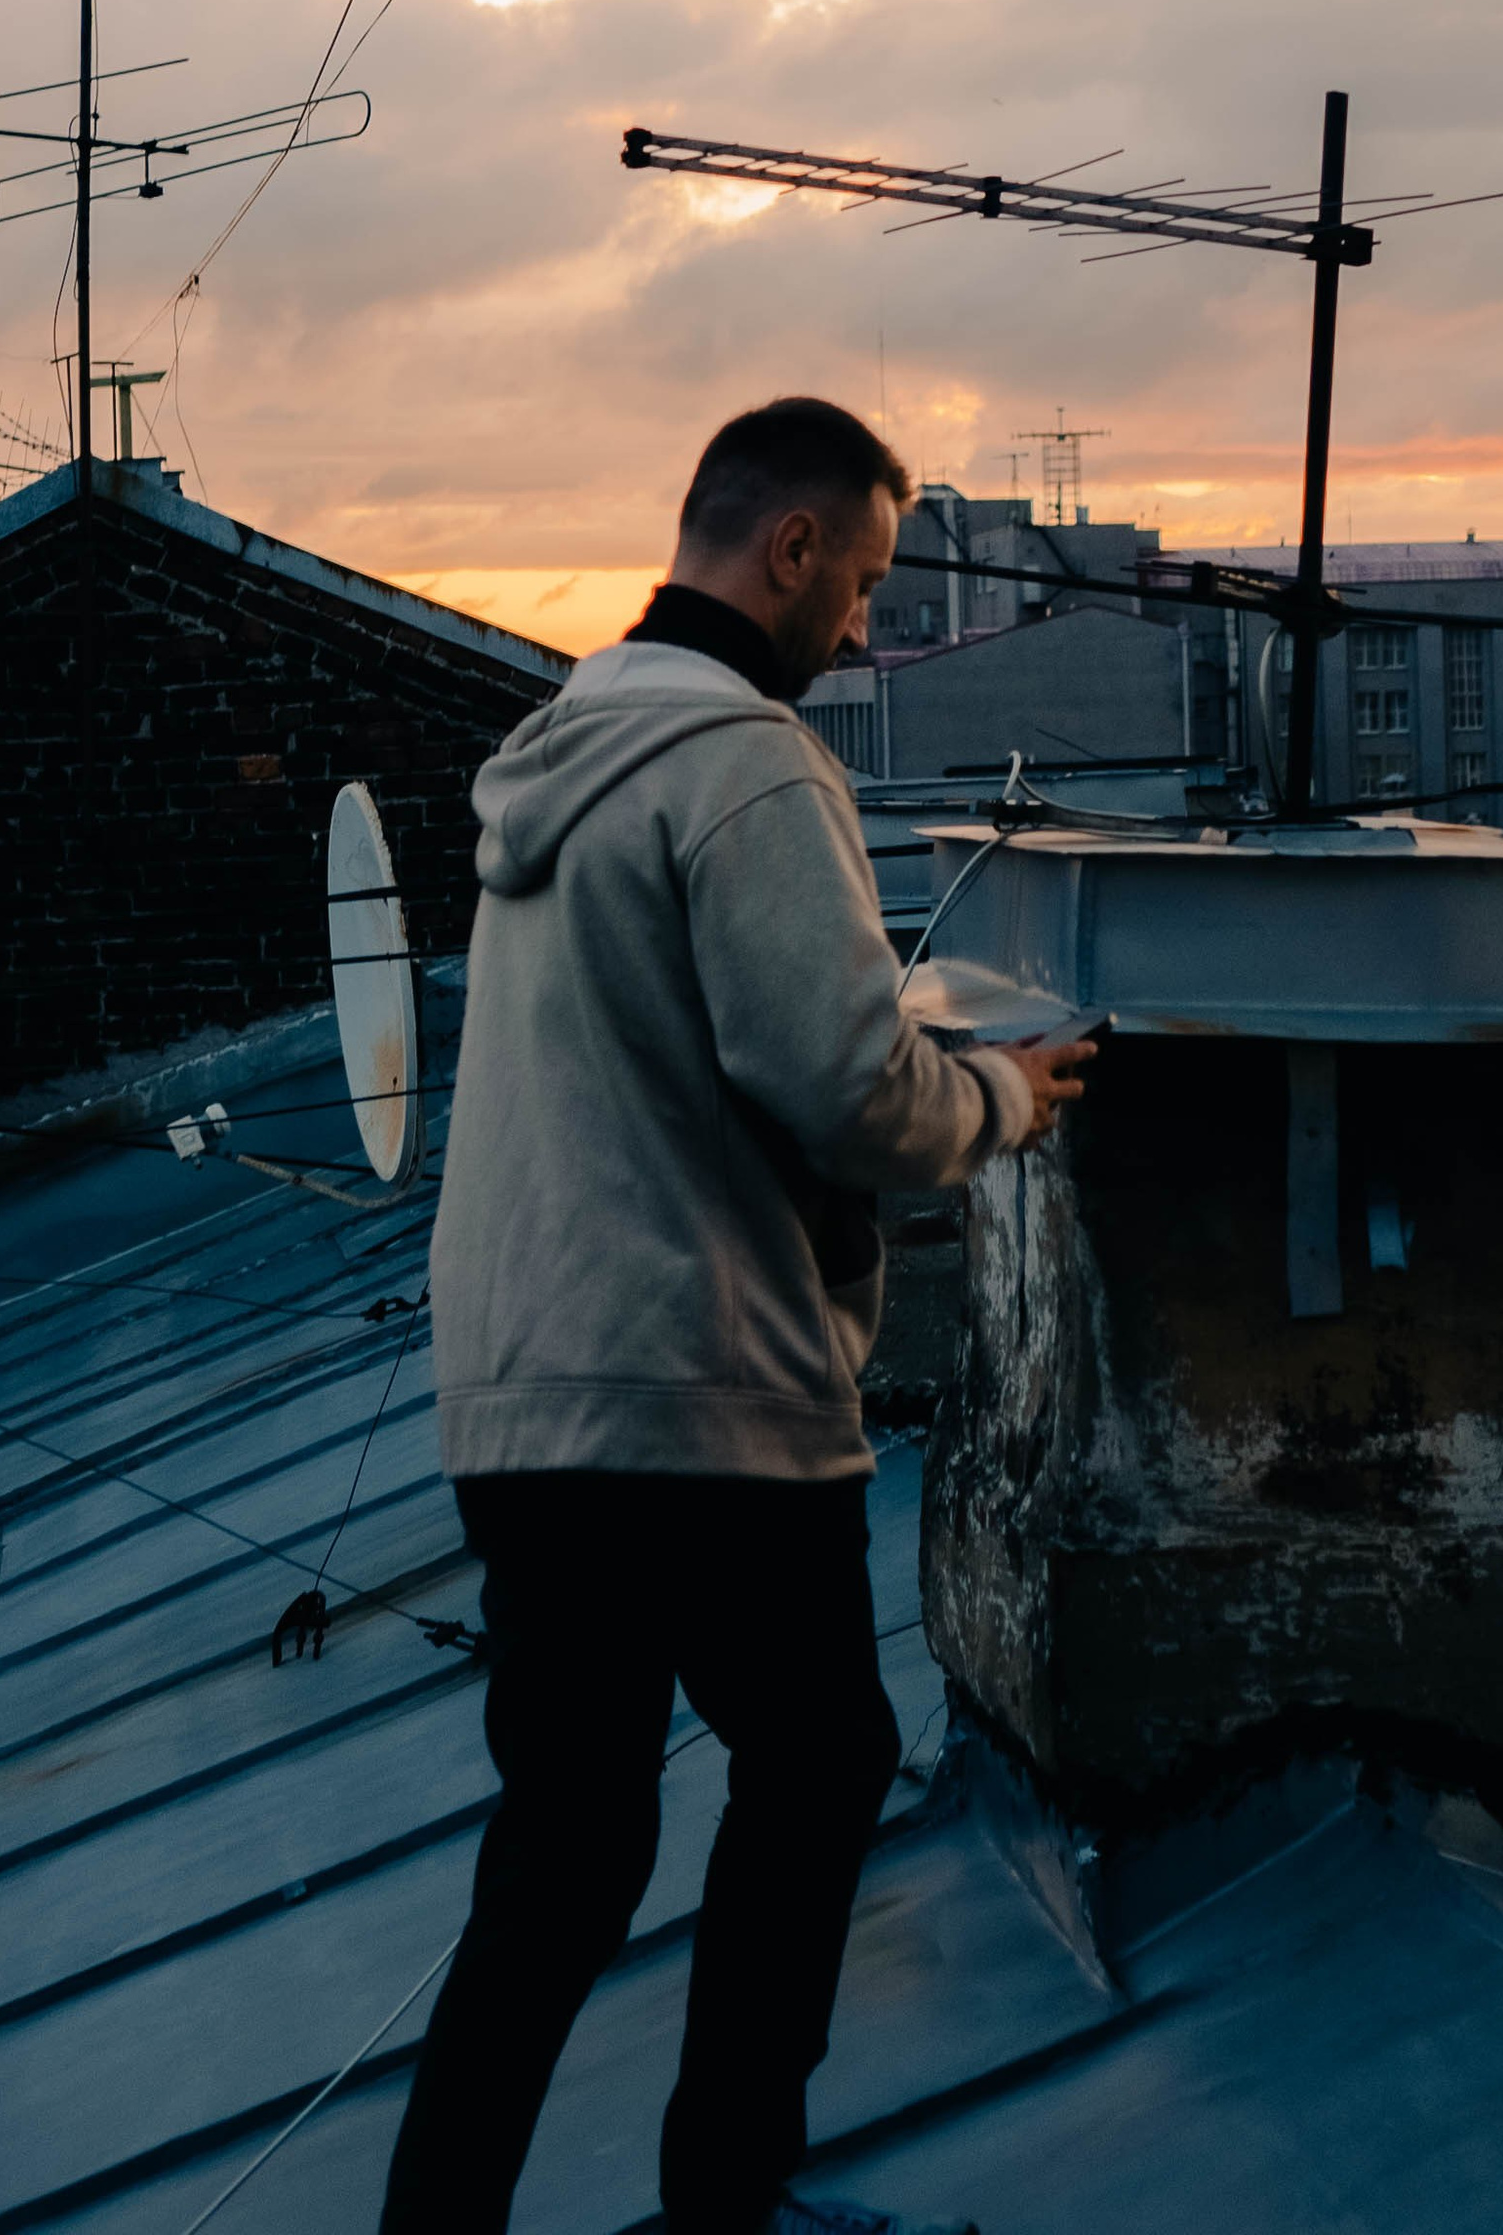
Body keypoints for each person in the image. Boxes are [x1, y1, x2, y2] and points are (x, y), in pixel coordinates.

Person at [379, 397, 1094, 2235]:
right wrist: (1003, 1097)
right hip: (695, 1387)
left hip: (526, 1397)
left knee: (564, 1854)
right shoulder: (750, 766)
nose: (861, 625)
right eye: (855, 581)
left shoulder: (567, 744)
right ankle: (729, 2202)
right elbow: (848, 1089)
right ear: (787, 552)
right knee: (826, 1757)